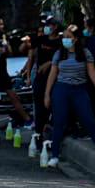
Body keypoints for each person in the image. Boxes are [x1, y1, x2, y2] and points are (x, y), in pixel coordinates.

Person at [44, 25, 95, 167]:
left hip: (79, 90)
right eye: (64, 37)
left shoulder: (85, 53)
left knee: (89, 121)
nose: (65, 40)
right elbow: (52, 75)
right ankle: (54, 156)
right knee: (59, 122)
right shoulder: (59, 54)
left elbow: (92, 72)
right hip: (61, 89)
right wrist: (47, 94)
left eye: (68, 37)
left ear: (76, 39)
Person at [22, 15, 62, 143]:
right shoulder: (40, 40)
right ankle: (38, 135)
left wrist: (50, 63)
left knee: (53, 106)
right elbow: (29, 55)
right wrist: (28, 76)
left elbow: (64, 59)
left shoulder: (61, 42)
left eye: (49, 25)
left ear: (55, 27)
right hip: (40, 77)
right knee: (39, 108)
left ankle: (52, 135)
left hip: (55, 78)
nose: (46, 27)